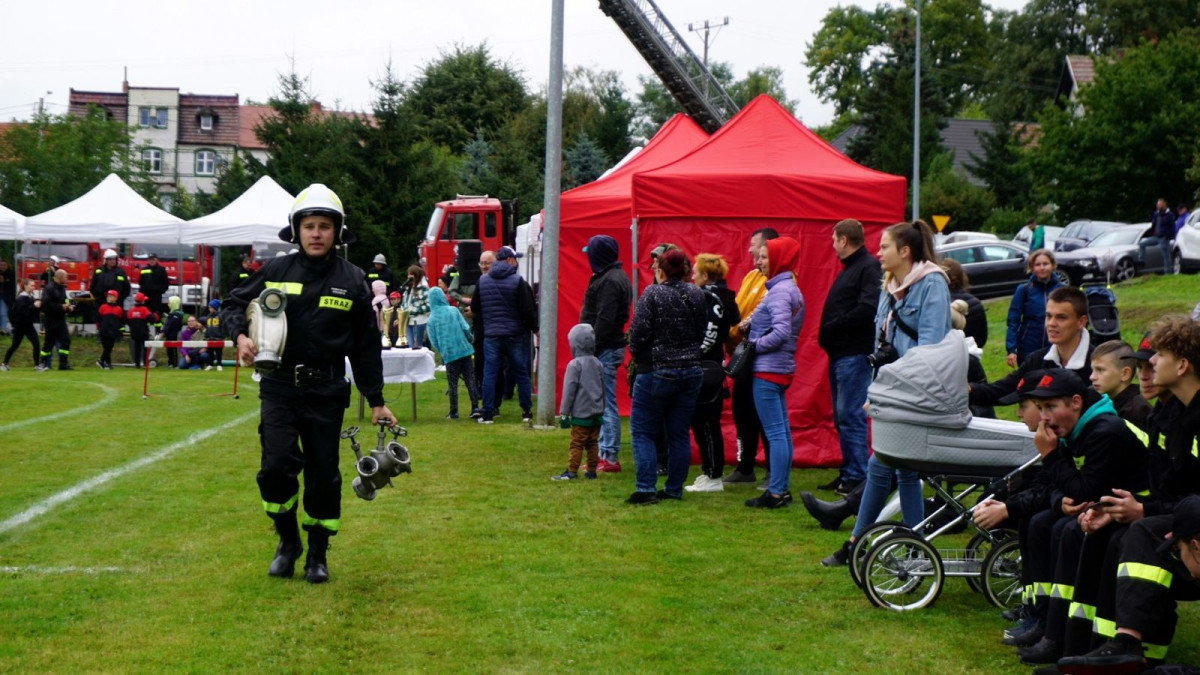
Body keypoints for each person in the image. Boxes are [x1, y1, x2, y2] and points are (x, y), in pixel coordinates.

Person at [224, 183, 393, 585]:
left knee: (323, 473)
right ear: (296, 231)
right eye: (309, 225)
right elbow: (234, 303)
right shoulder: (277, 271)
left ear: (337, 231)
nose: (316, 233)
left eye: (324, 226)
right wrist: (240, 337)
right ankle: (287, 542)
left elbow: (366, 347)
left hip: (327, 390)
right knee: (276, 467)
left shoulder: (353, 280)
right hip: (279, 388)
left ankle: (318, 553)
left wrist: (376, 399)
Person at [1058, 317, 1200, 672]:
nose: (1148, 365)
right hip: (1185, 517)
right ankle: (1095, 646)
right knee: (1117, 530)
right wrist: (1125, 509)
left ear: (1182, 366)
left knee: (1141, 532)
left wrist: (1145, 513)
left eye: (1158, 357)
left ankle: (1133, 647)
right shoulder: (1173, 415)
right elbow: (1176, 493)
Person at [823, 220, 951, 566]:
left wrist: (897, 373)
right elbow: (883, 340)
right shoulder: (889, 284)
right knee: (897, 469)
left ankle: (858, 544)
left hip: (915, 392)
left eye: (884, 247)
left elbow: (931, 348)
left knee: (882, 464)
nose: (877, 253)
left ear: (905, 251)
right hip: (890, 389)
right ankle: (912, 545)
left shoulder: (932, 283)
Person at [625, 248, 707, 505]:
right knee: (679, 433)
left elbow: (637, 334)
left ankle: (646, 488)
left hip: (657, 369)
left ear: (660, 270)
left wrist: (638, 356)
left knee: (643, 431)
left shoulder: (652, 294)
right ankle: (673, 488)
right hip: (691, 369)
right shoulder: (696, 293)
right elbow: (701, 329)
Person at [817, 218, 882, 495]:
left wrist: (834, 326)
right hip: (841, 353)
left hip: (853, 353)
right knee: (842, 415)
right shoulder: (853, 268)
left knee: (850, 414)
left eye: (834, 239)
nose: (832, 245)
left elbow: (868, 308)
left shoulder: (867, 267)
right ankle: (849, 470)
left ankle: (856, 476)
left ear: (844, 240)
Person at [740, 236, 805, 509]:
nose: (759, 262)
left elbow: (781, 331)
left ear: (779, 259)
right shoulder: (788, 288)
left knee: (776, 433)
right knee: (782, 433)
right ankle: (781, 488)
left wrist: (754, 345)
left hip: (768, 370)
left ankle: (776, 491)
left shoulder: (779, 291)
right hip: (780, 368)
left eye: (765, 257)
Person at [971, 287, 1095, 409]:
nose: (1051, 323)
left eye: (1061, 317)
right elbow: (1002, 390)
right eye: (1048, 316)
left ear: (1081, 322)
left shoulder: (1097, 364)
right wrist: (968, 390)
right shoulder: (1037, 360)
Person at [724, 228, 779, 486]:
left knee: (765, 416)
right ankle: (745, 466)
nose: (750, 250)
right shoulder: (751, 276)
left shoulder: (780, 281)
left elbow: (762, 318)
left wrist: (744, 328)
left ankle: (772, 470)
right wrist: (733, 330)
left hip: (762, 356)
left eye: (754, 245)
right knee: (741, 411)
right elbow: (739, 308)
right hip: (743, 355)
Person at [579, 234, 633, 474]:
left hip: (605, 348)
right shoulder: (611, 276)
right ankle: (603, 454)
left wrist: (591, 347)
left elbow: (605, 319)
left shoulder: (609, 280)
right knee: (602, 402)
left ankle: (609, 456)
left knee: (606, 404)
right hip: (607, 346)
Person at [685, 253, 739, 493]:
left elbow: (709, 333)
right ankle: (709, 470)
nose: (692, 276)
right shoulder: (726, 296)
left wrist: (694, 354)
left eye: (695, 272)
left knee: (706, 423)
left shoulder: (710, 299)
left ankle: (714, 474)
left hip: (706, 367)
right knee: (703, 422)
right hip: (713, 366)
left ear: (706, 276)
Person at [476, 246, 537, 424]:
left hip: (492, 334)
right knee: (521, 372)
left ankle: (488, 412)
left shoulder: (483, 281)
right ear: (510, 261)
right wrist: (534, 327)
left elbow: (475, 307)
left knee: (490, 373)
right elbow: (527, 309)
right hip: (514, 333)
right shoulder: (518, 281)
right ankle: (526, 411)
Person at [553, 323, 605, 481]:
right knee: (592, 442)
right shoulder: (598, 363)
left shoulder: (574, 365)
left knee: (576, 443)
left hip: (581, 412)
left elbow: (569, 390)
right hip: (597, 411)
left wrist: (564, 412)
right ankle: (591, 470)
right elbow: (603, 387)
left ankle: (571, 471)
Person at [425, 287, 480, 420]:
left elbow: (433, 341)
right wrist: (470, 340)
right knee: (470, 380)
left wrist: (442, 352)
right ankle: (475, 407)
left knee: (452, 384)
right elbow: (465, 327)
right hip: (465, 350)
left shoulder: (431, 319)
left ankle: (454, 411)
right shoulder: (453, 310)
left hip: (450, 354)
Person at [1006, 249, 1064, 368]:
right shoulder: (1024, 290)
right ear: (1032, 267)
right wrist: (1011, 349)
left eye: (1045, 264)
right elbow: (1013, 321)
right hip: (1029, 345)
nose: (1042, 268)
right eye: (1038, 265)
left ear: (1052, 265)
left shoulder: (1062, 290)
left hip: (1055, 345)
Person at [1090, 340, 1151, 430]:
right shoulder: (1096, 400)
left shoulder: (1137, 411)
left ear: (1125, 374)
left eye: (1100, 370)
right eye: (1093, 370)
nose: (1092, 377)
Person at [37, 268, 74, 371]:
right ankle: (43, 363)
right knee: (49, 342)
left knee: (66, 340)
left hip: (60, 319)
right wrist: (61, 306)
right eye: (66, 277)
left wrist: (68, 307)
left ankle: (63, 364)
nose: (67, 279)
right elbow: (46, 304)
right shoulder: (49, 288)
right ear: (60, 277)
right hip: (50, 319)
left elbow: (65, 300)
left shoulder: (62, 288)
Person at [1, 280, 40, 371]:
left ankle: (37, 366)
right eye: (31, 285)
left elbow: (31, 312)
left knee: (36, 344)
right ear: (25, 286)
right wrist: (34, 306)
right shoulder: (21, 299)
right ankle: (4, 364)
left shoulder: (31, 297)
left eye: (34, 286)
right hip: (20, 326)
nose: (33, 287)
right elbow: (23, 312)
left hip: (28, 325)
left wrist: (38, 307)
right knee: (15, 345)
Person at [1139, 198, 1177, 275]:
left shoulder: (1169, 214)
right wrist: (1151, 234)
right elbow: (1153, 225)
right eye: (1157, 205)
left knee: (1166, 255)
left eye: (1160, 205)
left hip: (1164, 238)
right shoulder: (1156, 214)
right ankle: (1141, 261)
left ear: (1164, 204)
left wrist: (1167, 236)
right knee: (1142, 243)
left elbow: (1172, 227)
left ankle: (1168, 272)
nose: (1158, 206)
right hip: (1156, 236)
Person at [401, 265, 431, 351]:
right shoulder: (407, 288)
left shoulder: (424, 288)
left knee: (418, 347)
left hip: (419, 321)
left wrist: (414, 311)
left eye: (411, 274)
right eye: (408, 274)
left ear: (416, 275)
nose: (408, 276)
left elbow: (429, 305)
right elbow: (404, 303)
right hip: (407, 321)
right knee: (410, 347)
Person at [96, 290, 123, 370]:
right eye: (108, 296)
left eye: (110, 296)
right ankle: (106, 363)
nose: (108, 297)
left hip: (113, 331)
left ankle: (103, 362)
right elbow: (98, 319)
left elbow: (120, 321)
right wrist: (99, 328)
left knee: (109, 348)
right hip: (104, 331)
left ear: (115, 298)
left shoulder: (118, 309)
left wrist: (119, 331)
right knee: (107, 348)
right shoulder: (103, 307)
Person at [138, 253, 169, 318]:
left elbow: (166, 283)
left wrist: (160, 291)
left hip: (156, 297)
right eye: (150, 260)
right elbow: (141, 282)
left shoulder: (161, 270)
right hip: (146, 296)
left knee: (157, 313)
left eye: (153, 259)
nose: (151, 261)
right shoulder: (143, 270)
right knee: (146, 313)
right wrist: (143, 291)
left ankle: (157, 327)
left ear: (157, 260)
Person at [161, 296, 184, 369]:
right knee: (169, 349)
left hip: (172, 335)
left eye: (169, 303)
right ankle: (170, 363)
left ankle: (174, 363)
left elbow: (169, 325)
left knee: (173, 349)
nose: (168, 304)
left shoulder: (176, 315)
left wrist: (164, 332)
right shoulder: (172, 314)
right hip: (169, 334)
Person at [202, 299, 224, 371]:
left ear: (215, 307)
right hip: (210, 338)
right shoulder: (208, 317)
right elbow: (207, 327)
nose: (209, 309)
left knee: (219, 352)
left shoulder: (220, 316)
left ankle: (219, 364)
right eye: (209, 307)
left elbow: (222, 327)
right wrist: (206, 335)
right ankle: (210, 364)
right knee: (210, 352)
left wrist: (222, 335)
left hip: (218, 338)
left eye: (210, 307)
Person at [0, 258, 15, 335]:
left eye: (4, 265)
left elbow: (13, 285)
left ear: (7, 265)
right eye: (1, 265)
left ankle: (3, 329)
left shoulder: (11, 273)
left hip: (6, 297)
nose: (2, 267)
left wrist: (4, 281)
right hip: (1, 295)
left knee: (3, 312)